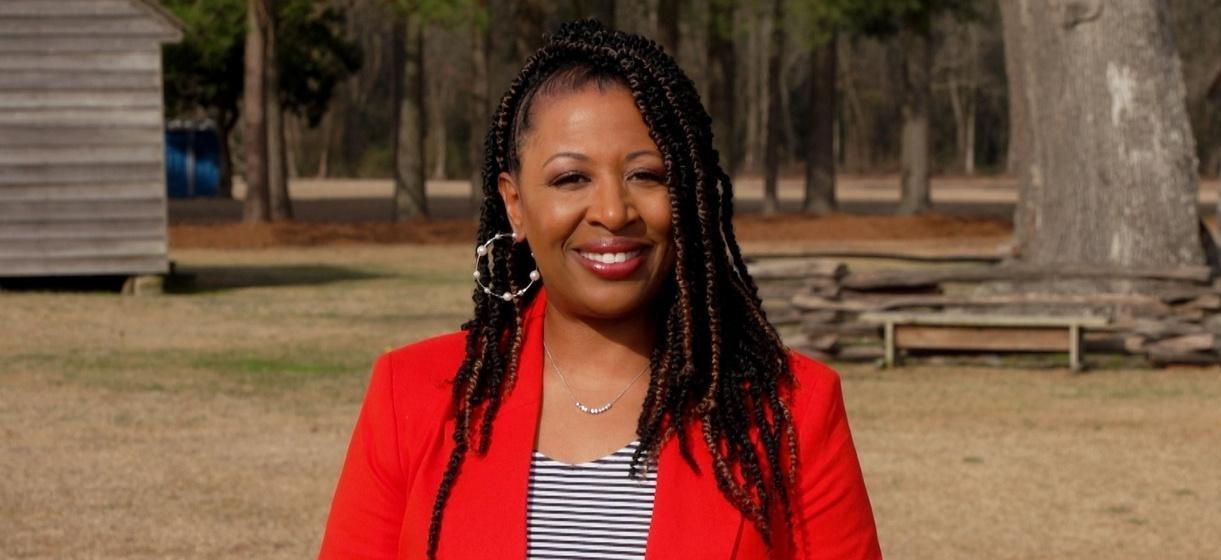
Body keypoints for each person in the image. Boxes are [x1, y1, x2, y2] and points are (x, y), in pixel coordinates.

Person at [319, 19, 881, 560]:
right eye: (571, 178)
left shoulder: (793, 409)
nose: (613, 212)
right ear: (515, 203)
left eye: (648, 175)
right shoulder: (410, 396)